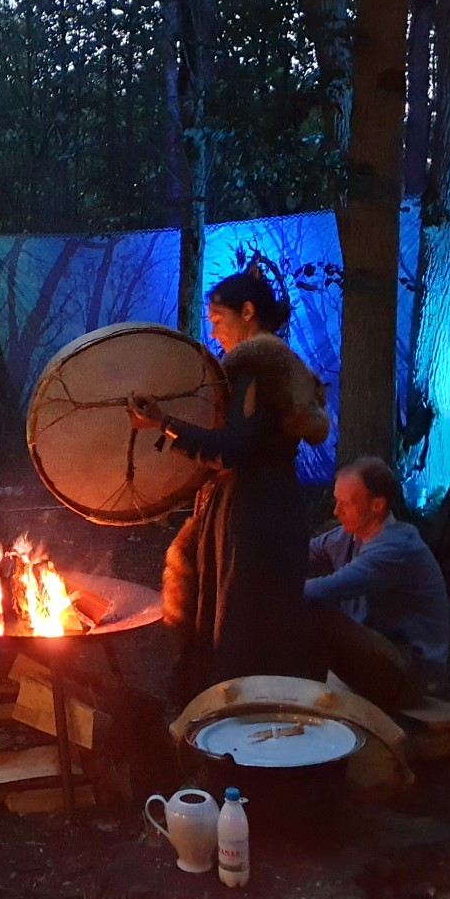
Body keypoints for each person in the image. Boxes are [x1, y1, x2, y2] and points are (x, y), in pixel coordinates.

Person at [128, 267, 330, 703]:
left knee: (240, 630)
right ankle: (251, 718)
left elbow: (233, 449)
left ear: (248, 311)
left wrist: (164, 423)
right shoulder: (281, 366)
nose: (214, 330)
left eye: (219, 318)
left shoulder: (254, 368)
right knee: (259, 625)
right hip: (273, 507)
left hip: (251, 515)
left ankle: (237, 723)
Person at [304, 458, 450, 709]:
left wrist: (264, 593)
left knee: (315, 611)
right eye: (336, 501)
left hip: (410, 672)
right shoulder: (348, 535)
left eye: (346, 503)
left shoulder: (395, 548)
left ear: (377, 505)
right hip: (380, 652)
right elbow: (301, 553)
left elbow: (329, 588)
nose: (336, 511)